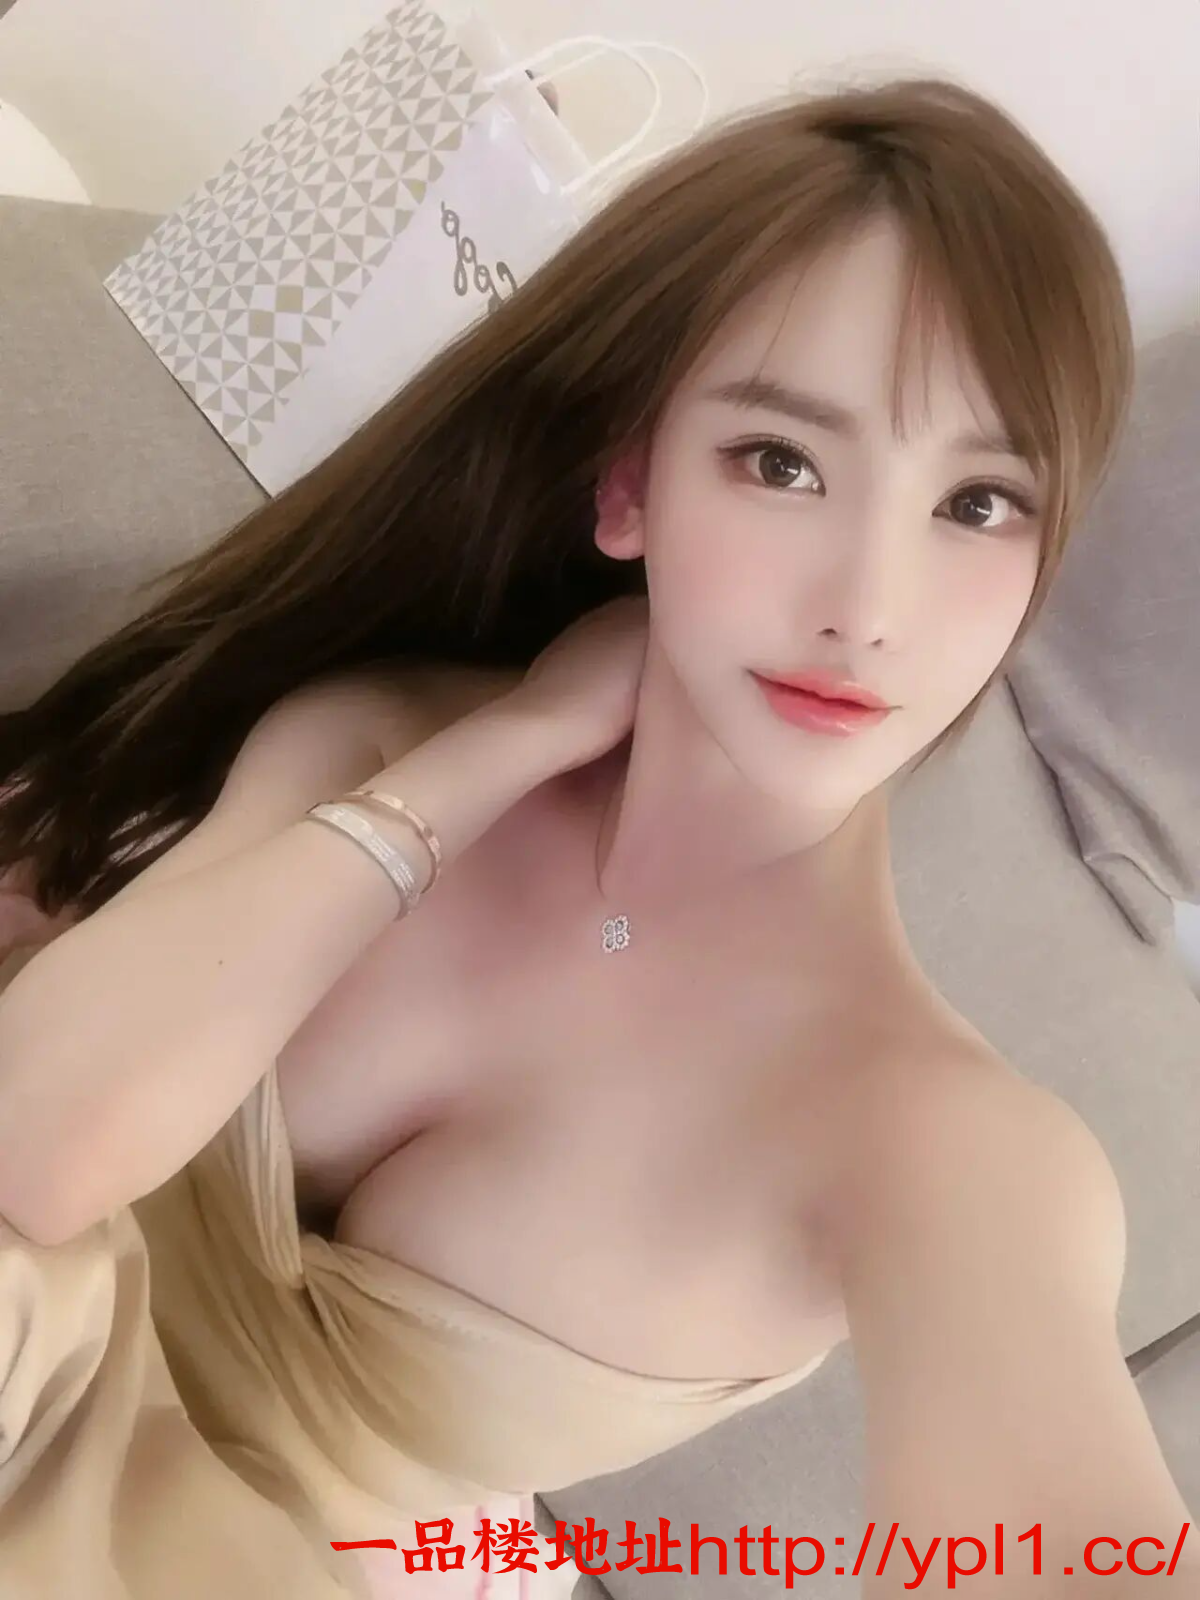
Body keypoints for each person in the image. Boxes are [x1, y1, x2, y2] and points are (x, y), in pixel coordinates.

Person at [0, 75, 1193, 1600]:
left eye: (978, 504)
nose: (868, 607)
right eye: (782, 462)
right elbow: (34, 1153)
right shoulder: (394, 730)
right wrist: (505, 746)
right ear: (629, 486)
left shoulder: (943, 1145)